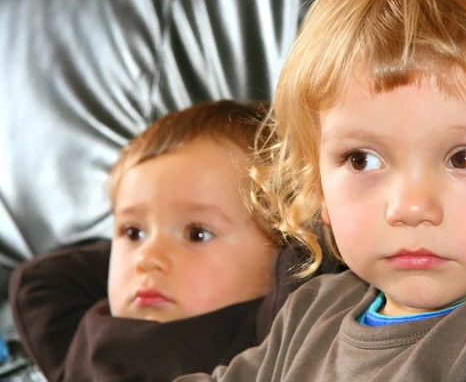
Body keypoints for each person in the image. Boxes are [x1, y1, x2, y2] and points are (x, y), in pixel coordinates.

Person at [175, 0, 466, 380]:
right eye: (361, 159)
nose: (409, 207)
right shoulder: (312, 310)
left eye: (463, 158)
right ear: (319, 186)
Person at [10, 101, 282, 381]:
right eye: (133, 233)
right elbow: (36, 282)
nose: (146, 257)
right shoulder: (84, 338)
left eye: (197, 233)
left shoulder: (276, 337)